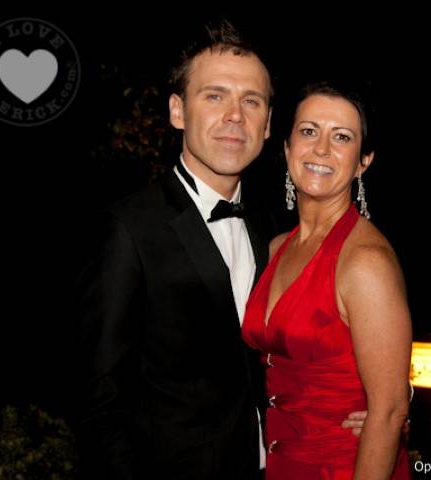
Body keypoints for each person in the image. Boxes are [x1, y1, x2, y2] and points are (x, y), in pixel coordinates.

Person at [75, 21, 369, 480]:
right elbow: (98, 399)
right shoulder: (128, 229)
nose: (235, 116)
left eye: (251, 101)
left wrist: (379, 404)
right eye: (214, 96)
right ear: (177, 111)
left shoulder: (275, 230)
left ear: (267, 125)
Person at [242, 81, 413, 479]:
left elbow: (389, 410)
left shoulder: (366, 262)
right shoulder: (275, 248)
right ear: (287, 148)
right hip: (279, 465)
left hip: (344, 467)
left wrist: (396, 409)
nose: (321, 149)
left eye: (341, 137)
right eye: (309, 131)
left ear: (363, 161)